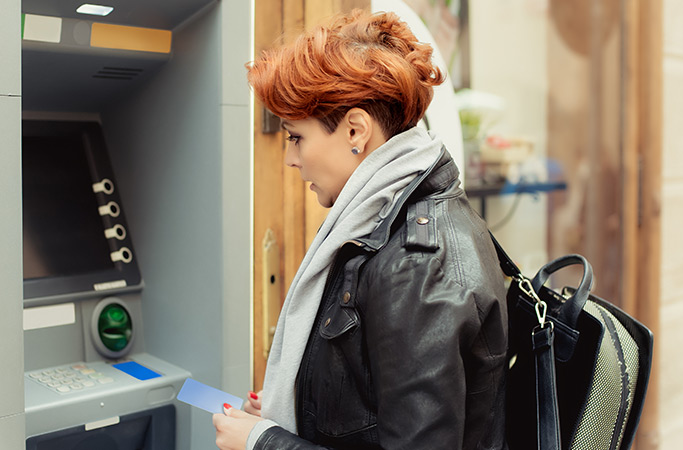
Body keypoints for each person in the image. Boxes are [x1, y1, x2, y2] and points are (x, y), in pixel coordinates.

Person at [213, 9, 508, 450]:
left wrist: (264, 443)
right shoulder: (386, 220)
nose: (291, 159)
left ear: (355, 130)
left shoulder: (417, 267)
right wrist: (294, 408)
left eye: (295, 137)